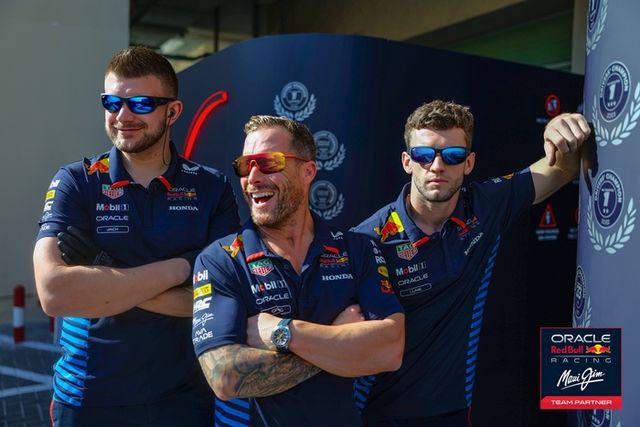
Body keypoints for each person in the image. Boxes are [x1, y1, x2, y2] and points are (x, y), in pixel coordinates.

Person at [32, 46, 240, 427]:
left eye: (141, 104)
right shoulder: (77, 181)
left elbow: (221, 302)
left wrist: (102, 276)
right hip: (87, 399)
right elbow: (54, 294)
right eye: (112, 103)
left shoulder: (213, 189)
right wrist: (181, 268)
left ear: (172, 111)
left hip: (184, 401)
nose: (123, 116)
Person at [353, 100, 591, 426]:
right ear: (408, 162)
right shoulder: (366, 239)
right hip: (375, 415)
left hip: (452, 412)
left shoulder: (484, 206)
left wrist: (555, 128)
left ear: (469, 163)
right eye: (424, 155)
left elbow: (562, 169)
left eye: (452, 155)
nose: (437, 166)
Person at [191, 115, 405, 426]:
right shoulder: (221, 259)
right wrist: (338, 339)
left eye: (268, 163)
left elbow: (389, 351)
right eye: (245, 165)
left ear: (308, 171)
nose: (253, 177)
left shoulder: (357, 249)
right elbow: (224, 377)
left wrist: (283, 332)